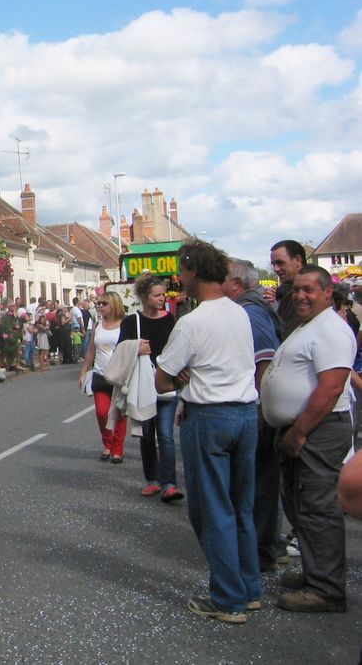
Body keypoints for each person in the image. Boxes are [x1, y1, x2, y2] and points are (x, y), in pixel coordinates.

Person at [155, 239, 259, 625]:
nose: (179, 278)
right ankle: (248, 590)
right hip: (246, 412)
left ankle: (228, 599)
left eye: (182, 270)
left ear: (193, 271)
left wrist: (183, 377)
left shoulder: (192, 322)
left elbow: (162, 381)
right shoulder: (239, 313)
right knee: (241, 506)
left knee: (213, 509)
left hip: (210, 416)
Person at [261, 265, 355, 613]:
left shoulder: (331, 330)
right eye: (296, 289)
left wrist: (300, 430)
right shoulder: (308, 326)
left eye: (309, 290)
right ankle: (317, 572)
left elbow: (330, 387)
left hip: (320, 428)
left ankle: (327, 590)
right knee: (302, 506)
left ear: (327, 293)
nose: (300, 295)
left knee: (318, 508)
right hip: (302, 427)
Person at [221, 258, 284, 573]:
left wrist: (260, 411)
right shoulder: (250, 308)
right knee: (259, 483)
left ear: (235, 284)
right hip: (257, 409)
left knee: (259, 484)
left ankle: (261, 551)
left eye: (222, 279)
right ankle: (265, 547)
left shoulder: (249, 312)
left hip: (258, 411)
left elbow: (264, 364)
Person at [119, 275, 181, 500]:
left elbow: (178, 349)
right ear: (145, 297)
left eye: (163, 294)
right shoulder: (131, 321)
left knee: (165, 435)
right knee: (146, 434)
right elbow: (121, 350)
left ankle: (170, 484)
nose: (162, 298)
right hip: (142, 384)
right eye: (157, 295)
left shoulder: (169, 320)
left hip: (165, 384)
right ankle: (152, 480)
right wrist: (136, 348)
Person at [79, 292, 126, 463]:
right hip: (100, 374)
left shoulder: (125, 325)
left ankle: (117, 448)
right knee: (102, 412)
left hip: (120, 375)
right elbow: (91, 350)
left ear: (114, 304)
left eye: (103, 303)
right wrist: (84, 371)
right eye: (98, 303)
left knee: (119, 413)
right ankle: (107, 442)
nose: (99, 306)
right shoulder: (98, 324)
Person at [265, 239, 306, 339]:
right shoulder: (287, 293)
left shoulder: (306, 294)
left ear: (297, 260)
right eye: (273, 264)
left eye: (280, 263)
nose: (276, 269)